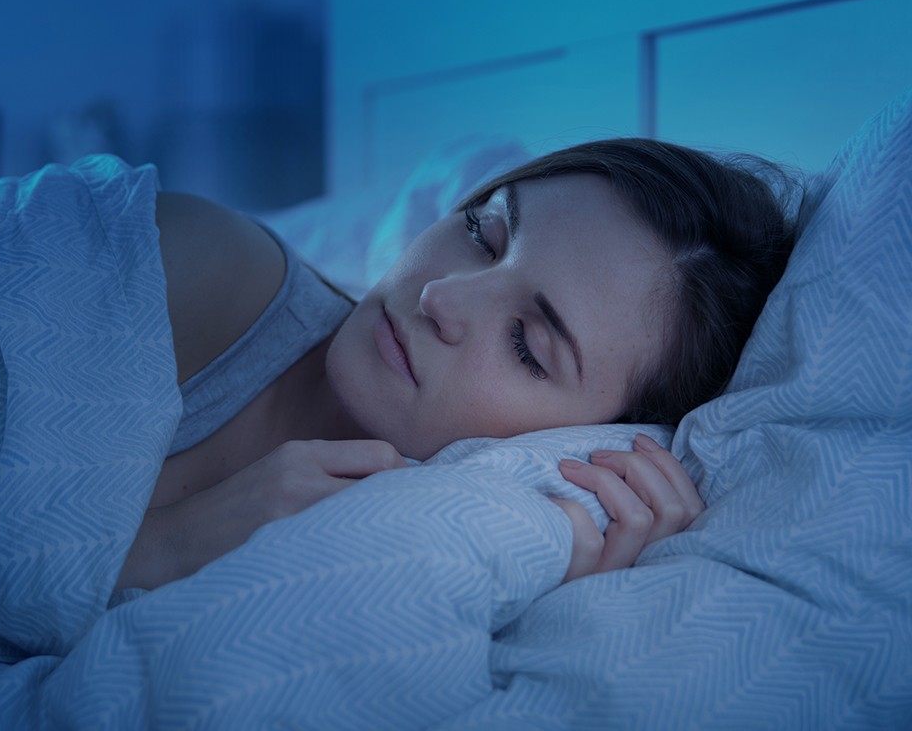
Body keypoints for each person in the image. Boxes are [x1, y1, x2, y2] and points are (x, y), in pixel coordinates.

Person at [118, 137, 797, 593]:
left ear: (596, 438)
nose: (438, 297)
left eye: (526, 346)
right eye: (481, 233)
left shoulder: (452, 555)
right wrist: (168, 544)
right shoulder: (178, 263)